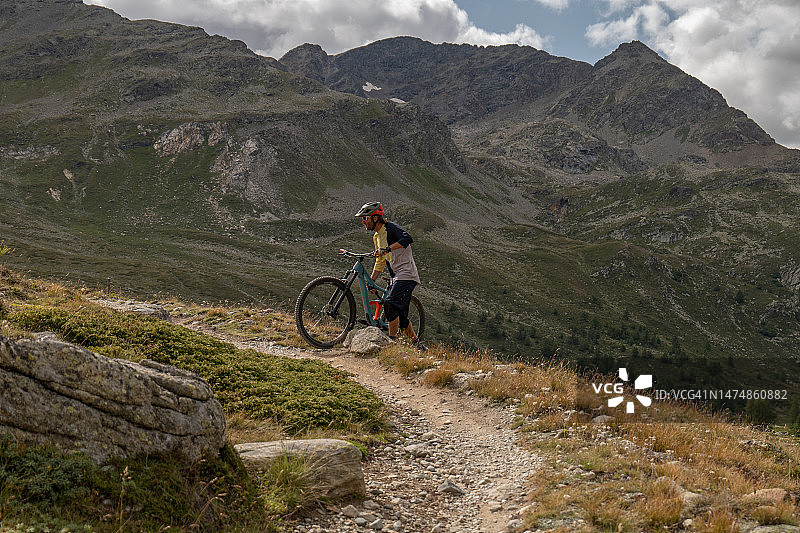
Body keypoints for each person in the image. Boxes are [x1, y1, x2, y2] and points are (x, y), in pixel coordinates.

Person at [355, 201, 427, 351]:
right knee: (400, 316)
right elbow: (380, 260)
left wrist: (388, 249)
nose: (363, 222)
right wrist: (372, 280)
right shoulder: (376, 236)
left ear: (375, 218)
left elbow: (407, 238)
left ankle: (391, 344)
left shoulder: (390, 228)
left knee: (390, 304)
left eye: (365, 218)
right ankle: (417, 345)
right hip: (396, 276)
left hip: (407, 274)